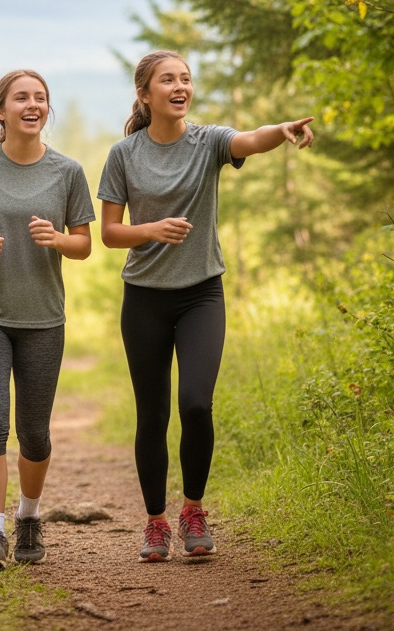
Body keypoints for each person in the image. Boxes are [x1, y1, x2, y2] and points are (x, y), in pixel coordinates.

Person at [97, 50, 315, 561]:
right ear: (144, 94)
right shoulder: (123, 155)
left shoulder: (209, 141)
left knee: (196, 403)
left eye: (186, 79)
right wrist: (151, 230)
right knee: (152, 414)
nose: (180, 87)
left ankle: (193, 510)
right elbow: (109, 232)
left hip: (201, 294)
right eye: (168, 80)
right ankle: (156, 523)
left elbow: (250, 139)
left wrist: (281, 129)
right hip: (144, 297)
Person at [0, 69, 94, 571]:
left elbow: (84, 245)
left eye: (40, 98)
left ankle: (28, 515)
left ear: (47, 109)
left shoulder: (67, 171)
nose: (32, 105)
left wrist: (58, 239)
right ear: (0, 111)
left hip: (43, 318)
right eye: (21, 98)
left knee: (35, 433)